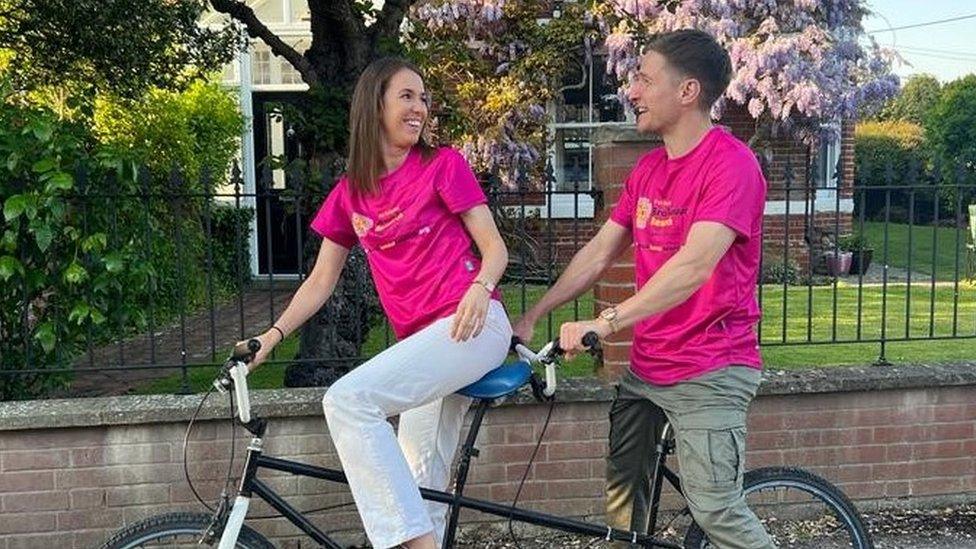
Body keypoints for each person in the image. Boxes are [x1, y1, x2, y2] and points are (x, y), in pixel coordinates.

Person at [512, 29, 775, 548]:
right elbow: (599, 251)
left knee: (717, 511)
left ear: (687, 91)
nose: (630, 91)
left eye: (643, 79)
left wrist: (603, 321)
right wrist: (537, 311)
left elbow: (694, 266)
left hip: (712, 368)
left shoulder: (732, 165)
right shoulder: (649, 168)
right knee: (623, 508)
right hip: (649, 367)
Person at [243, 57, 512, 549]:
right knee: (419, 482)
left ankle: (410, 544)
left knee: (348, 400)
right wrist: (272, 335)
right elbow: (320, 281)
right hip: (425, 345)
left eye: (424, 97)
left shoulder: (441, 165)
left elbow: (495, 249)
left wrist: (480, 288)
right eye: (407, 96)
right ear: (375, 105)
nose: (420, 108)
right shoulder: (351, 193)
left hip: (472, 325)